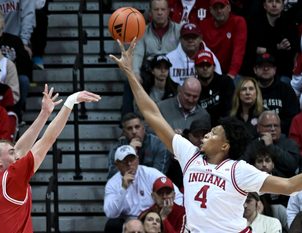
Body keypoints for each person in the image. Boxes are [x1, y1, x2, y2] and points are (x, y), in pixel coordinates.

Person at [110, 37, 302, 233]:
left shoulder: (238, 171)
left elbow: (288, 186)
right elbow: (152, 115)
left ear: (225, 146)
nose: (206, 135)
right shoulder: (190, 155)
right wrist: (129, 73)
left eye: (213, 133)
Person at [0, 85, 100, 232]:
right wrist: (70, 102)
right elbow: (47, 140)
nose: (17, 156)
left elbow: (20, 148)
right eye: (11, 153)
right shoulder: (11, 178)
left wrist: (44, 114)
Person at [104, 145, 182, 233]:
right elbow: (111, 213)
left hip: (150, 218)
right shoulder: (112, 183)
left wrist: (171, 211)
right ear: (117, 164)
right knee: (112, 225)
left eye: (132, 159)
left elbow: (177, 195)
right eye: (125, 161)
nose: (129, 164)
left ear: (137, 159)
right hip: (129, 221)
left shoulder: (151, 174)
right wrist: (123, 189)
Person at [0, 7, 31, 119]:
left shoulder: (14, 40)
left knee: (23, 80)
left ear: (3, 22)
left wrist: (9, 73)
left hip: (11, 76)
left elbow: (25, 64)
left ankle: (17, 113)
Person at [107, 112, 171, 179]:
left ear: (143, 128)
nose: (134, 132)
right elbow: (113, 178)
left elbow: (158, 176)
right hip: (125, 187)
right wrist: (130, 152)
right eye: (129, 128)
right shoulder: (117, 148)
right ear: (124, 132)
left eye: (137, 127)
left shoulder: (158, 144)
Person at [198, 0, 247, 79]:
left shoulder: (238, 22)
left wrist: (232, 73)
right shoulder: (204, 25)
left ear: (229, 8)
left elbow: (238, 51)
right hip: (209, 72)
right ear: (210, 10)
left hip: (229, 72)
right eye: (215, 8)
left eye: (222, 7)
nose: (219, 11)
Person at [244, 111, 300, 179]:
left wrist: (271, 147)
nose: (273, 129)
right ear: (258, 128)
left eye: (276, 126)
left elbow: (293, 166)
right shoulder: (254, 144)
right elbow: (242, 165)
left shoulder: (290, 143)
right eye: (268, 126)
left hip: (285, 184)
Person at [254, 52, 299, 135]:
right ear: (255, 70)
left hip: (280, 135)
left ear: (275, 70)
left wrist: (274, 129)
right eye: (262, 66)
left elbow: (292, 117)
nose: (266, 69)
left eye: (269, 66)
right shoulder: (250, 89)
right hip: (254, 134)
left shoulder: (286, 90)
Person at [195, 49, 234, 126]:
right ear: (195, 68)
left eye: (208, 65)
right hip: (202, 127)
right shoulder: (193, 87)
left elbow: (230, 109)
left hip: (224, 125)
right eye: (201, 65)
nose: (205, 68)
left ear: (214, 67)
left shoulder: (226, 82)